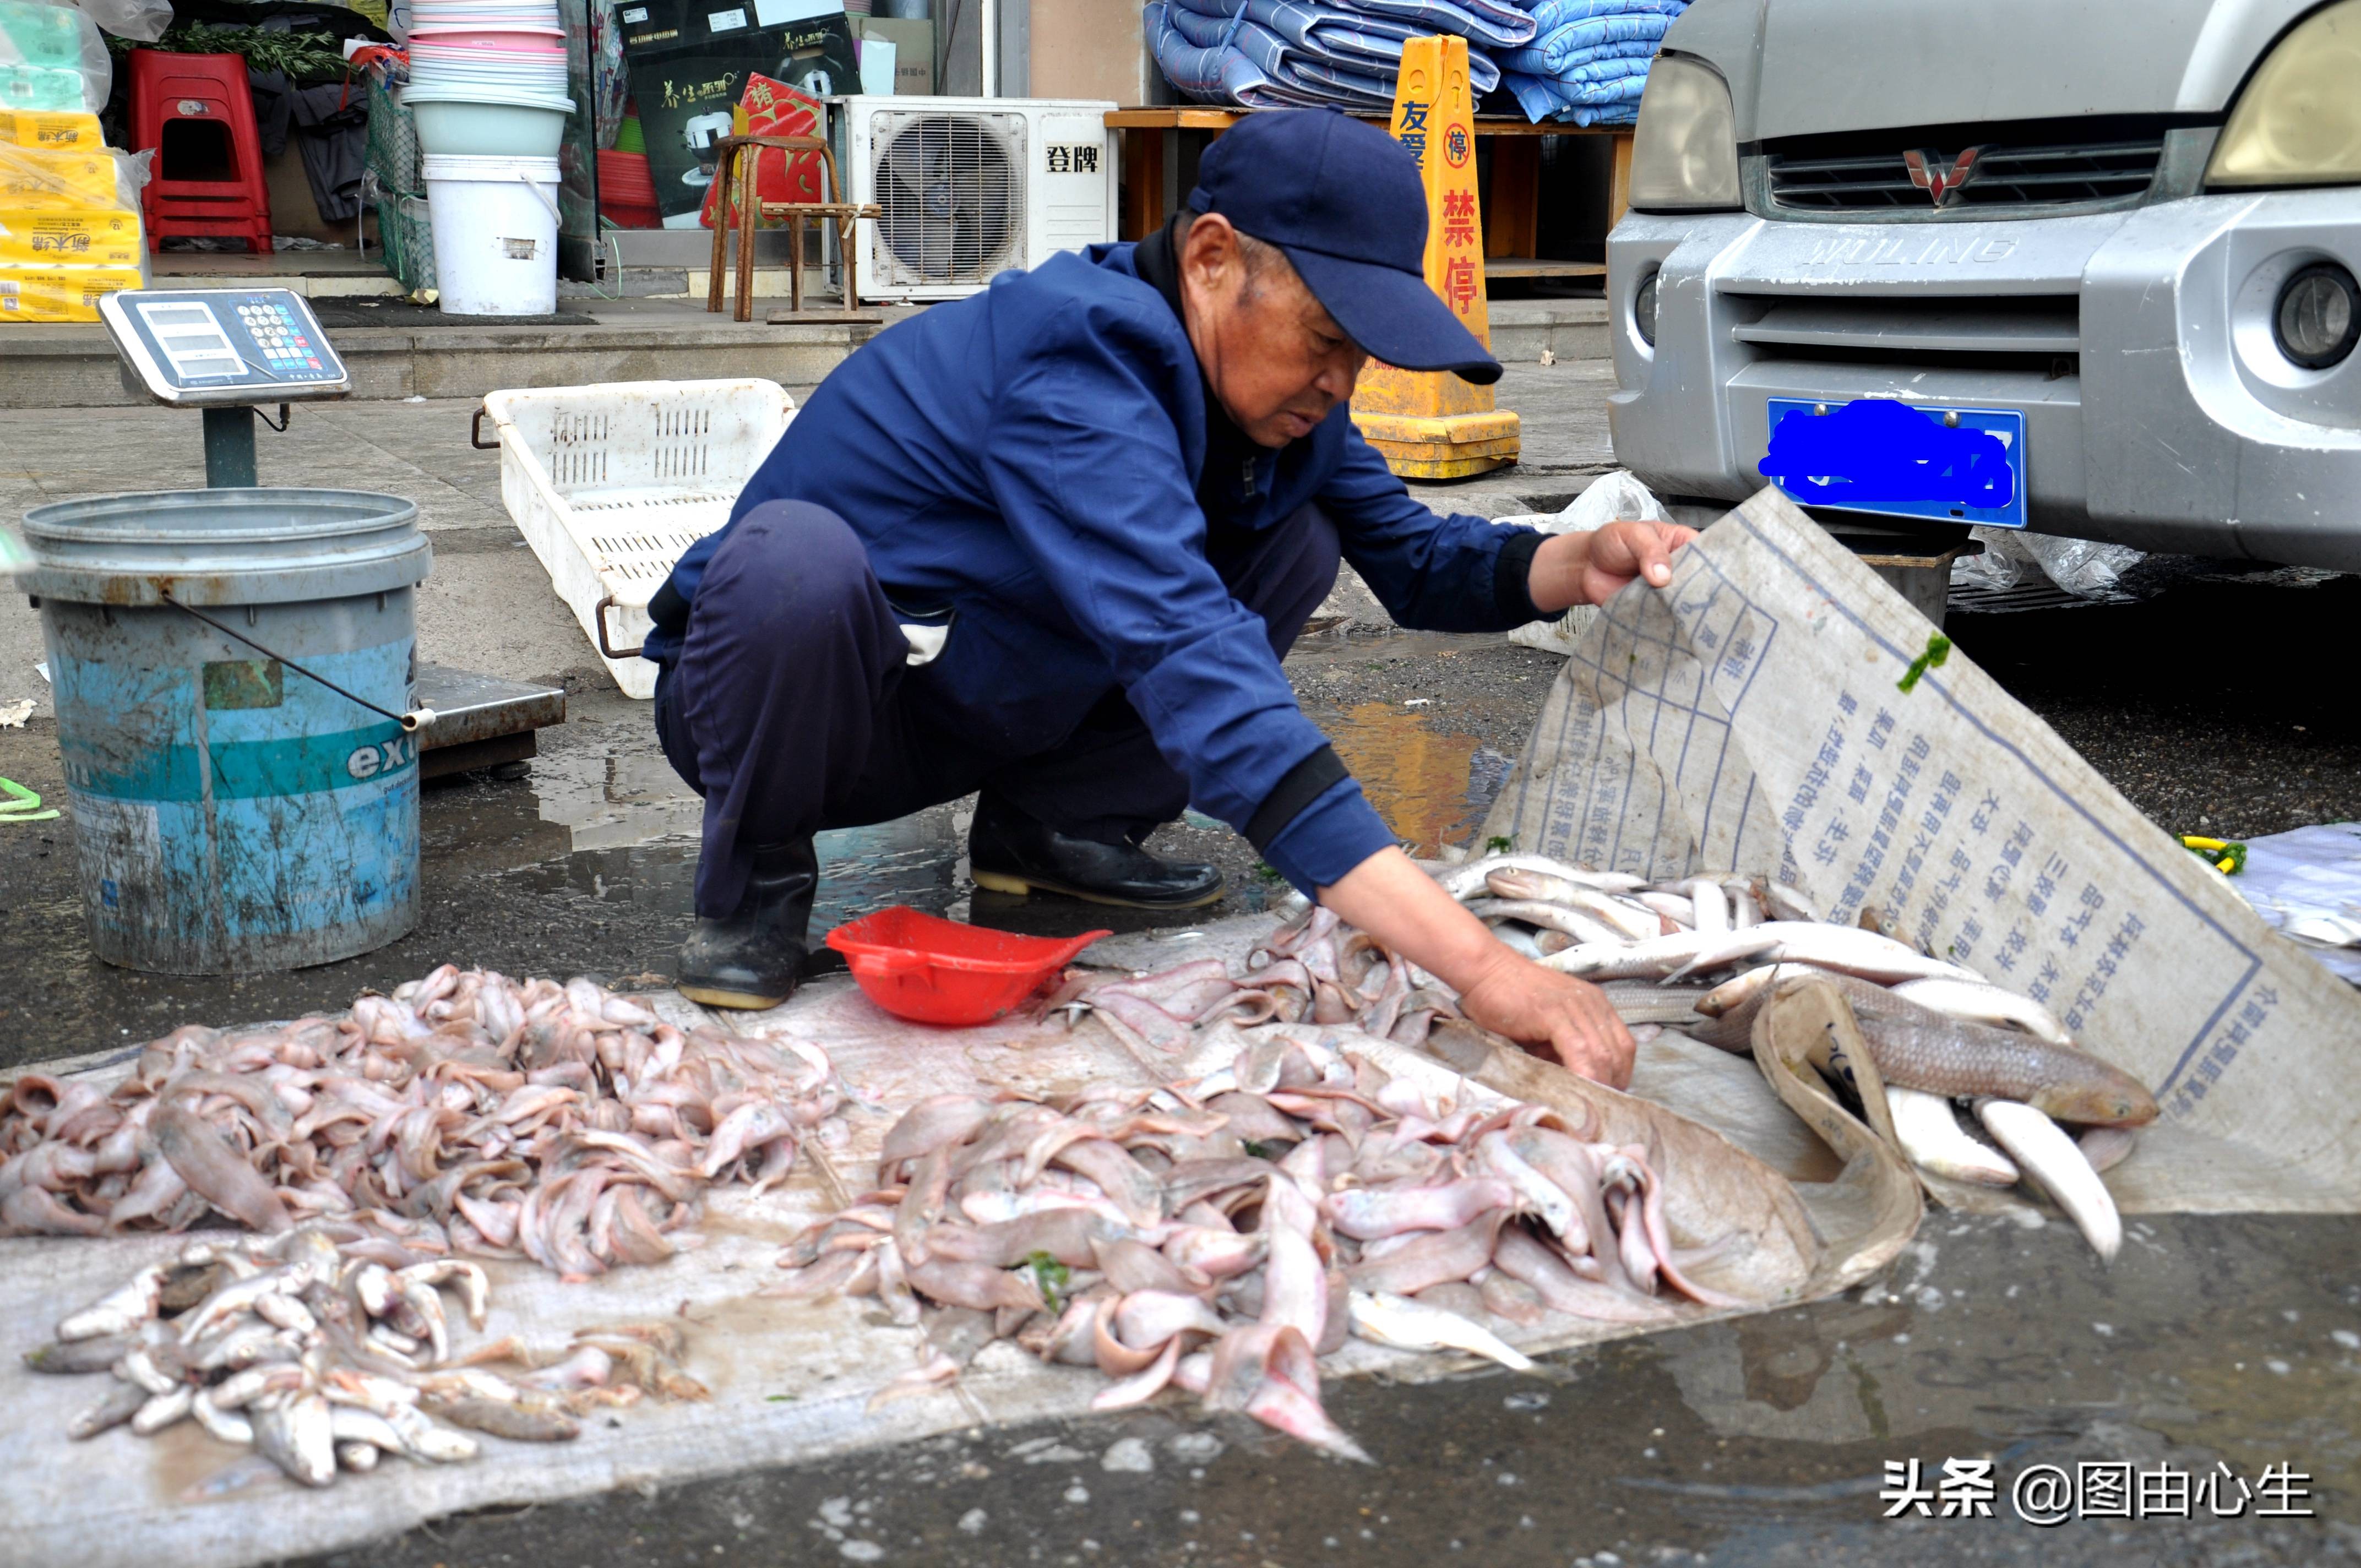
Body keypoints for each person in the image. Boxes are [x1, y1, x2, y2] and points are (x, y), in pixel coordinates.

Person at [641, 108, 1695, 1086]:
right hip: (792, 716)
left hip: (972, 689)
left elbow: (1419, 562)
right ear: (1211, 258)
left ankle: (1050, 836)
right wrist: (1481, 967)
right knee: (795, 566)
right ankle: (757, 883)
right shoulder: (1080, 357)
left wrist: (1576, 561)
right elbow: (1195, 668)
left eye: (1359, 357)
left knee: (1298, 532)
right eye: (1326, 341)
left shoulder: (1282, 404)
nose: (1341, 383)